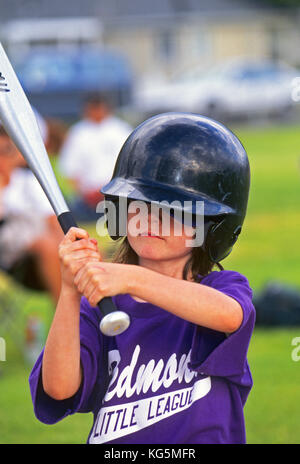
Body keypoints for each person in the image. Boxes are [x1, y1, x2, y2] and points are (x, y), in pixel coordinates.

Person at [29, 113, 255, 444]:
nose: (150, 218)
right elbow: (59, 388)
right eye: (138, 204)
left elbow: (229, 315)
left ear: (213, 226)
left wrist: (132, 278)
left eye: (173, 209)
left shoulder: (222, 290)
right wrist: (68, 291)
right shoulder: (100, 309)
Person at [0, 125, 63, 303]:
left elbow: (52, 218)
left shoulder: (28, 181)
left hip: (44, 243)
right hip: (13, 254)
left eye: (8, 150)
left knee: (83, 245)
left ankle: (96, 313)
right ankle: (66, 312)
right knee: (47, 244)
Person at [58, 92, 132, 222]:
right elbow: (69, 169)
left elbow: (130, 164)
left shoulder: (121, 130)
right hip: (87, 200)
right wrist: (84, 192)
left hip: (118, 194)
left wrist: (109, 189)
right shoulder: (78, 133)